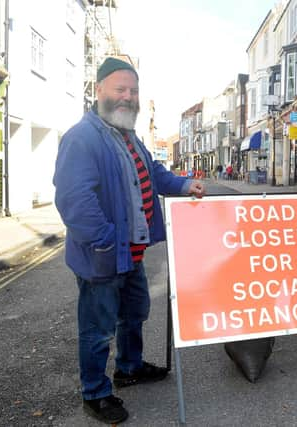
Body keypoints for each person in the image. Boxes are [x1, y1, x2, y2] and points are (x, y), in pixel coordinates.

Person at [53, 57, 205, 424]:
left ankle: (129, 367)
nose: (128, 96)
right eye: (120, 89)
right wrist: (105, 241)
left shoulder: (128, 135)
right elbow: (74, 199)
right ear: (99, 89)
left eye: (133, 91)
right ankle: (95, 392)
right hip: (103, 257)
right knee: (97, 328)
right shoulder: (82, 136)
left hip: (130, 255)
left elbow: (152, 173)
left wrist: (184, 186)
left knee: (134, 314)